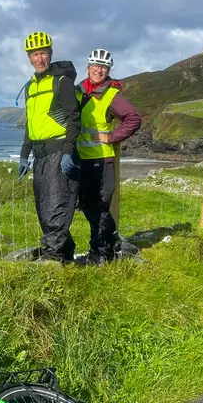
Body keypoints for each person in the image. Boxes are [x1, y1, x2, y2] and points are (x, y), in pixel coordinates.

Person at [17, 31, 81, 263]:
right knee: (44, 209)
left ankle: (53, 260)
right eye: (35, 54)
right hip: (39, 154)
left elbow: (74, 120)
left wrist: (68, 152)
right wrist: (24, 155)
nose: (39, 58)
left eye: (43, 53)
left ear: (50, 54)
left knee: (57, 206)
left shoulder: (61, 82)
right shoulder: (30, 87)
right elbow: (30, 123)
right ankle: (66, 253)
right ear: (29, 57)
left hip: (58, 151)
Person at [75, 48, 141, 265]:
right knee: (87, 206)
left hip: (101, 161)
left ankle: (100, 255)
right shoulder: (77, 92)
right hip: (79, 161)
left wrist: (111, 136)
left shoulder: (111, 95)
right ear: (88, 67)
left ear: (108, 70)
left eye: (103, 67)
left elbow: (133, 119)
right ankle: (109, 244)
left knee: (99, 208)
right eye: (95, 65)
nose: (99, 70)